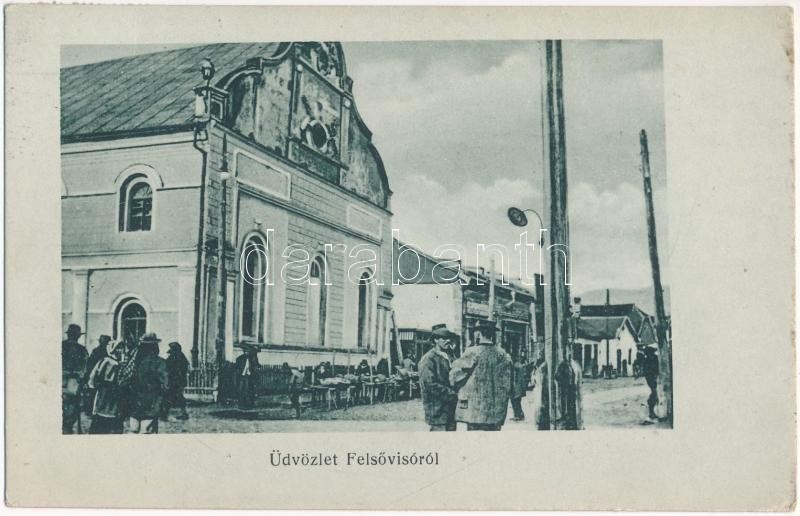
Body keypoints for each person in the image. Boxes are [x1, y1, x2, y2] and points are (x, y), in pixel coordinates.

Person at [450, 319, 512, 431]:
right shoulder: (503, 355)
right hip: (496, 412)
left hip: (475, 412)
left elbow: (455, 376)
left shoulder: (472, 352)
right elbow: (507, 384)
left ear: (478, 333)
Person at [418, 324, 457, 431]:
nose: (448, 340)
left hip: (450, 411)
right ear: (435, 340)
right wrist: (453, 394)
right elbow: (430, 385)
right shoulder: (428, 359)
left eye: (449, 338)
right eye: (443, 338)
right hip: (437, 411)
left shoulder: (449, 356)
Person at [129, 333, 168, 434]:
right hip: (151, 402)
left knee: (133, 431)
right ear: (155, 347)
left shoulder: (133, 362)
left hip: (134, 401)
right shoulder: (160, 362)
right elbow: (166, 384)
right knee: (147, 433)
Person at [87, 338, 125, 434]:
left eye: (121, 348)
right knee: (104, 417)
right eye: (118, 348)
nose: (120, 351)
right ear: (113, 349)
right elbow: (94, 377)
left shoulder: (117, 363)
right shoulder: (107, 361)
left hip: (112, 394)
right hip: (106, 393)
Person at [62, 324, 88, 434]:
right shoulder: (82, 350)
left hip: (60, 380)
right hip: (73, 384)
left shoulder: (60, 346)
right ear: (77, 336)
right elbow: (84, 369)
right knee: (71, 411)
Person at [163, 342, 189, 420]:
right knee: (176, 397)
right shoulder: (181, 357)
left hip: (175, 381)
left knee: (170, 397)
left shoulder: (176, 357)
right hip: (178, 381)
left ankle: (165, 414)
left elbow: (168, 366)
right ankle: (183, 413)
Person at [510, 354, 535, 421]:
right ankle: (518, 415)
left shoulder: (517, 366)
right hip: (518, 387)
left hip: (516, 388)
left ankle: (519, 415)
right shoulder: (519, 366)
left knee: (515, 401)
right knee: (516, 401)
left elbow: (516, 378)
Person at [234, 344, 260, 409]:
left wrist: (257, 368)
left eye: (248, 351)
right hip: (241, 376)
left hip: (248, 376)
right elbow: (237, 368)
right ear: (244, 352)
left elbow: (255, 365)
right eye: (245, 351)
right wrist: (239, 373)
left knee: (247, 390)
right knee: (240, 389)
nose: (247, 352)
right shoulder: (240, 358)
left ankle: (246, 403)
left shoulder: (251, 359)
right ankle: (240, 403)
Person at [643, 344, 659, 419]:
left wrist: (656, 374)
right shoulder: (646, 360)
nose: (651, 354)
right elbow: (645, 370)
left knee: (655, 393)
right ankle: (651, 411)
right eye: (649, 353)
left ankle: (652, 411)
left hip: (655, 377)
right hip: (650, 377)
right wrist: (650, 373)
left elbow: (658, 367)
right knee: (654, 393)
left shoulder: (655, 358)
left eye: (652, 352)